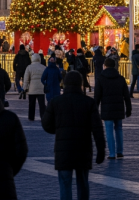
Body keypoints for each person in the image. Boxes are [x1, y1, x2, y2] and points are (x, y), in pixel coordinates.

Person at [42, 72, 105, 200]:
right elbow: (97, 128)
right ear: (80, 84)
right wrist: (101, 149)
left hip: (63, 149)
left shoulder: (55, 102)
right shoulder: (89, 103)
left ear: (65, 84)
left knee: (65, 183)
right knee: (83, 182)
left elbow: (46, 124)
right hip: (83, 148)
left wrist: (59, 130)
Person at [93, 58, 132, 160]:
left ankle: (112, 153)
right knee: (119, 129)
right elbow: (126, 96)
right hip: (119, 108)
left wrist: (94, 110)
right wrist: (128, 109)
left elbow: (97, 97)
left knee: (109, 130)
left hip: (107, 109)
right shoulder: (120, 78)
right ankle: (120, 151)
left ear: (105, 66)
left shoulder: (101, 78)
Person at [23, 53, 47, 121]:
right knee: (42, 105)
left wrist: (25, 87)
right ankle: (43, 116)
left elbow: (26, 79)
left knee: (31, 104)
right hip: (41, 88)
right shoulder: (43, 67)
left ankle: (31, 117)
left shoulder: (29, 67)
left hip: (32, 88)